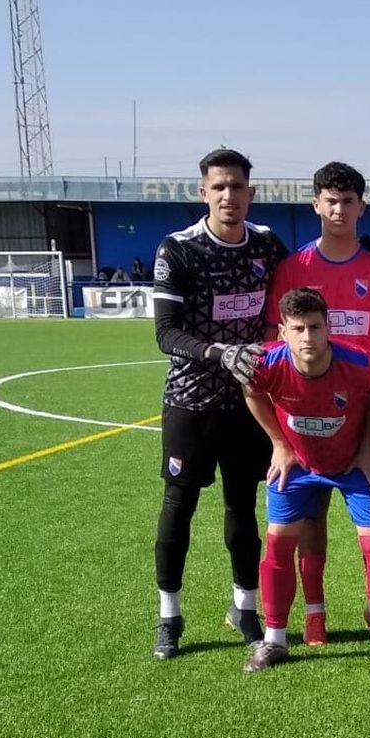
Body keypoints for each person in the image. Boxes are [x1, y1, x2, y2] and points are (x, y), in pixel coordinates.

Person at [149, 148, 290, 660]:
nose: (229, 196)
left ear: (251, 193)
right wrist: (219, 352)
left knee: (242, 506)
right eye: (219, 187)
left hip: (248, 402)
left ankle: (245, 608)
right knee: (179, 506)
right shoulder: (179, 249)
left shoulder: (268, 244)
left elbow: (296, 291)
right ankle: (170, 616)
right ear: (203, 192)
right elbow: (166, 333)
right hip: (191, 401)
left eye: (237, 187)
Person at [263, 162, 370, 647]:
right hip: (303, 418)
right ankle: (314, 611)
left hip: (365, 417)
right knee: (308, 518)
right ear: (316, 205)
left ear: (361, 207)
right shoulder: (294, 268)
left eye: (348, 201)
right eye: (331, 200)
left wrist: (365, 388)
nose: (339, 209)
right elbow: (276, 339)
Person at [241, 288, 370, 675]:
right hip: (298, 461)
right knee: (277, 544)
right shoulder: (266, 363)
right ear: (283, 332)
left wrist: (367, 447)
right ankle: (275, 640)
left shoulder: (359, 363)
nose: (308, 337)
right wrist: (279, 444)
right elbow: (251, 390)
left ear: (328, 328)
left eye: (315, 327)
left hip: (355, 461)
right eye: (298, 329)